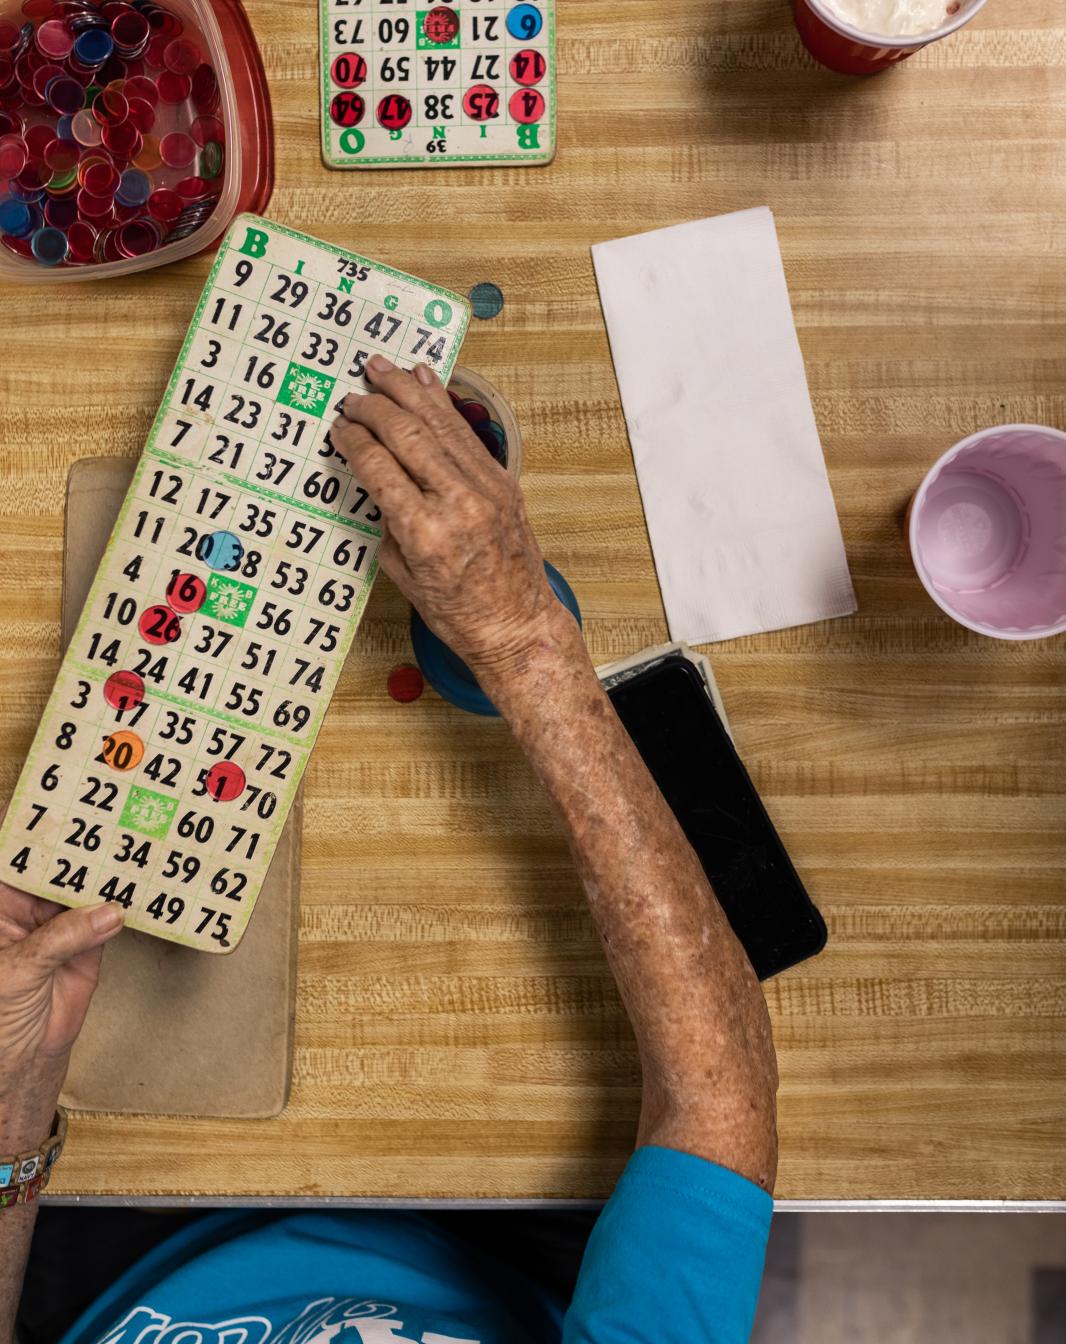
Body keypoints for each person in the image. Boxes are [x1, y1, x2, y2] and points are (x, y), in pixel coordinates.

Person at [0, 356, 779, 1344]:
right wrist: (518, 636)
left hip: (102, 1259)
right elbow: (718, 1108)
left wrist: (15, 1106)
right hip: (496, 1247)